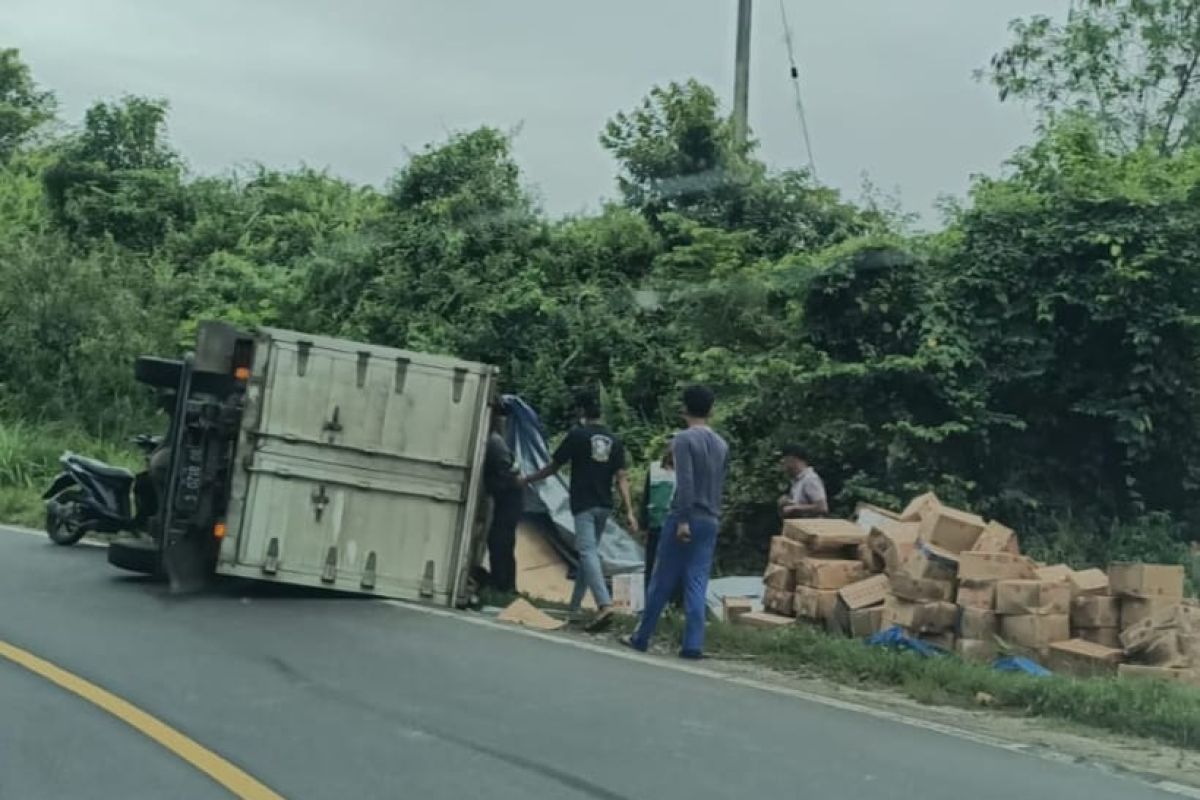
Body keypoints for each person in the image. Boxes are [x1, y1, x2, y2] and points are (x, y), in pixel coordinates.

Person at [625, 385, 728, 659]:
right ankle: (693, 643)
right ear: (711, 410)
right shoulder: (721, 444)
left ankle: (642, 635)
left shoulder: (683, 440)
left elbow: (685, 482)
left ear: (684, 408)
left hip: (686, 515)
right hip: (711, 517)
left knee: (662, 578)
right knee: (697, 579)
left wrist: (682, 519)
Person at [521, 388, 638, 630]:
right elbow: (622, 477)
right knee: (589, 555)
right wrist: (629, 511)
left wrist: (527, 479)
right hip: (605, 505)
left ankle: (604, 604)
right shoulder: (615, 440)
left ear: (581, 412)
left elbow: (552, 468)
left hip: (583, 504)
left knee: (587, 553)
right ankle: (574, 607)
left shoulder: (577, 436)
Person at [482, 404, 522, 594]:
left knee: (500, 541)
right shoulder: (496, 441)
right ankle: (505, 584)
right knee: (502, 541)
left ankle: (503, 585)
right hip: (509, 499)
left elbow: (507, 475)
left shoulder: (494, 442)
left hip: (509, 499)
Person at [639, 437, 682, 606]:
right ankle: (649, 601)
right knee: (651, 564)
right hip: (655, 524)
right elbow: (646, 497)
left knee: (674, 565)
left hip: (674, 526)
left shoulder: (684, 472)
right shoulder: (655, 468)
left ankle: (673, 602)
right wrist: (643, 523)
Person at [778, 444, 828, 519]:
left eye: (785, 460)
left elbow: (822, 507)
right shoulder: (797, 481)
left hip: (812, 528)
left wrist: (794, 508)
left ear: (793, 459)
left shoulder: (810, 479)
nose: (783, 463)